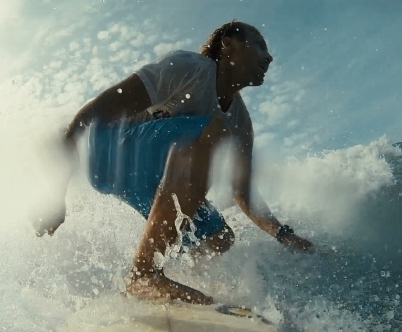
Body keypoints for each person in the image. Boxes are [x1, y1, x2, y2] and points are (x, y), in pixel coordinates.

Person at [34, 20, 314, 305]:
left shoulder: (240, 120)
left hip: (149, 184)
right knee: (212, 130)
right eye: (259, 46)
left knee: (220, 237)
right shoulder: (190, 69)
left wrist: (283, 234)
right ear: (228, 44)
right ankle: (144, 274)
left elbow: (242, 191)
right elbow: (96, 111)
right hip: (110, 153)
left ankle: (157, 282)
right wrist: (56, 196)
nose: (268, 57)